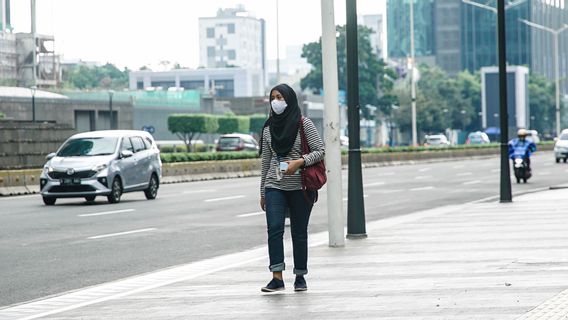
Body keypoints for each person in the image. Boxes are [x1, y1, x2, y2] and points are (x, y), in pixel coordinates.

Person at [259, 83, 325, 293]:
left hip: (300, 186)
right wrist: (262, 191)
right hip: (274, 185)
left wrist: (300, 162)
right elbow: (266, 162)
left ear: (289, 100)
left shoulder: (304, 124)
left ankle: (300, 276)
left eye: (280, 97)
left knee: (299, 232)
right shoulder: (268, 128)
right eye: (273, 97)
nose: (276, 101)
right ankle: (276, 277)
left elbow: (320, 151)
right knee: (275, 229)